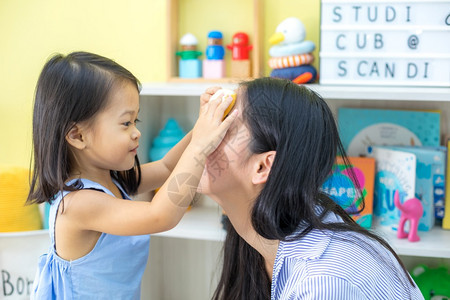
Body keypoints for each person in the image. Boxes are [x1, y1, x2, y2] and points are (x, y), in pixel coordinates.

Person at [27, 51, 237, 299]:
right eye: (126, 123)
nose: (137, 132)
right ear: (78, 136)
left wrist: (202, 126)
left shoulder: (113, 179)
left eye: (136, 120)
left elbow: (167, 168)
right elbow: (161, 216)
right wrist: (200, 146)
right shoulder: (78, 204)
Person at [198, 77, 424, 300]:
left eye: (223, 124)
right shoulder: (265, 235)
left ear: (263, 166)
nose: (202, 136)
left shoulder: (321, 283)